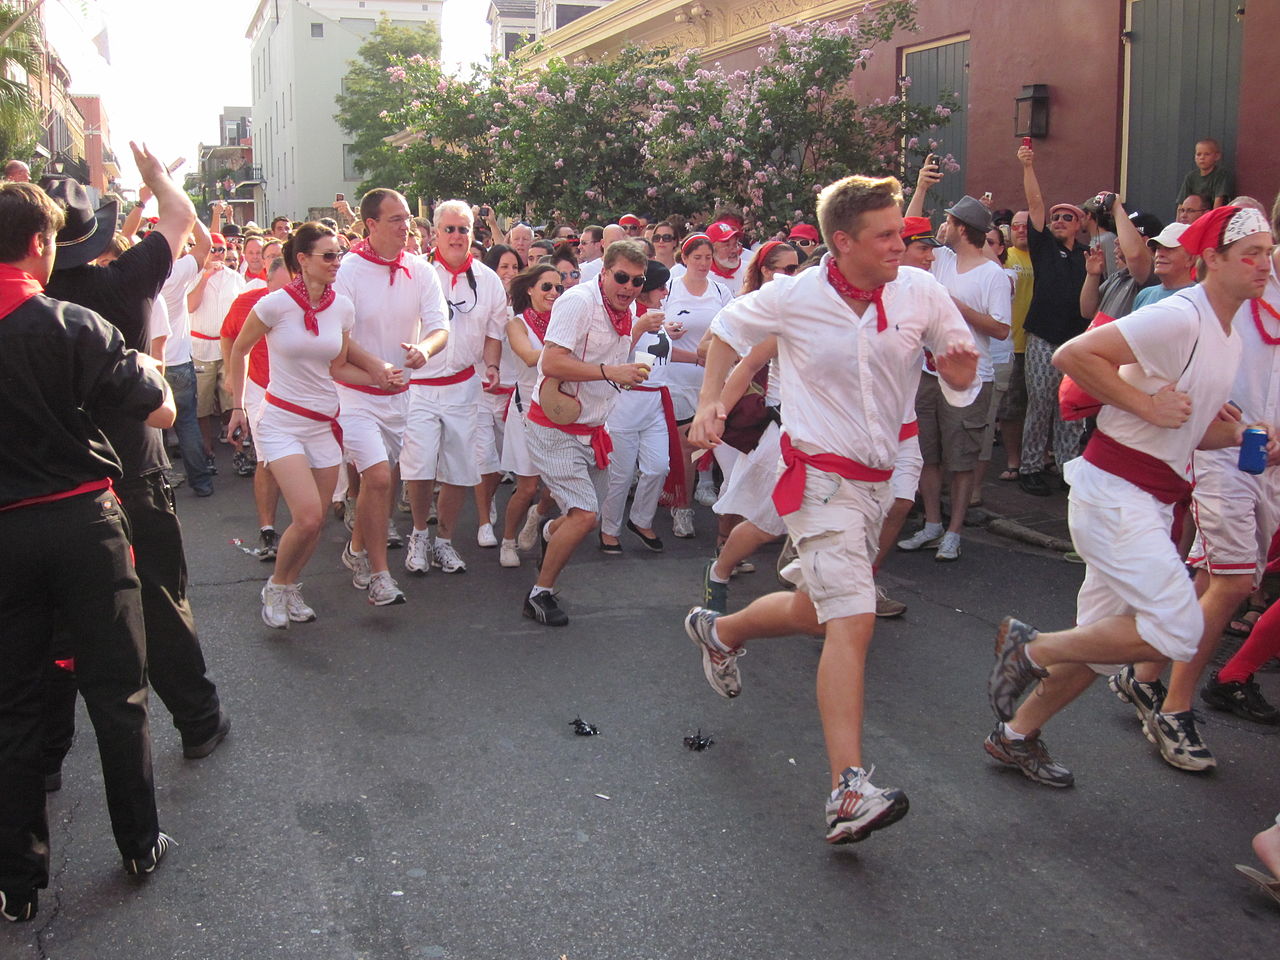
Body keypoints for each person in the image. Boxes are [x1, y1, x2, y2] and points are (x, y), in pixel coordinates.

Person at [685, 175, 980, 843]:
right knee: (853, 613)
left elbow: (960, 363)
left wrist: (960, 375)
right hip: (819, 478)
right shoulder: (794, 296)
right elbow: (727, 331)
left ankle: (720, 632)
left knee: (819, 609)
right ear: (842, 242)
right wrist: (710, 402)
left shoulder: (920, 290)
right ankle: (848, 788)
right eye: (884, 235)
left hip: (879, 478)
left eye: (901, 233)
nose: (900, 244)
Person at [985, 205, 1273, 786]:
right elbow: (1071, 355)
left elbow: (1188, 425)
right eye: (1252, 254)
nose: (1265, 265)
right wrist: (1146, 405)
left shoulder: (1228, 336)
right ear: (1211, 260)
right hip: (1116, 492)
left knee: (1099, 647)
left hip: (1147, 495)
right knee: (1178, 630)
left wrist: (1239, 436)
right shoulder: (1180, 317)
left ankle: (1015, 735)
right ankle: (1032, 648)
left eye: (1269, 252)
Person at [0, 181, 177, 923]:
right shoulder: (73, 324)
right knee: (117, 690)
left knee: (11, 706)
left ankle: (16, 884)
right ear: (42, 245)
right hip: (82, 524)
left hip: (5, 532)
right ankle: (138, 843)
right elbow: (158, 405)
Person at [41, 146, 230, 775]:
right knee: (160, 596)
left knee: (50, 615)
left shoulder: (26, 304)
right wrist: (156, 177)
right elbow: (179, 215)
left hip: (52, 476)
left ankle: (45, 753)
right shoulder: (123, 281)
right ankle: (198, 720)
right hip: (132, 459)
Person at [227, 223, 399, 628]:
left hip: (323, 423)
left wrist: (378, 377)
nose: (337, 262)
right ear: (302, 260)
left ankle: (288, 587)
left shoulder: (342, 308)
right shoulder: (274, 305)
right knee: (305, 516)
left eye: (339, 254)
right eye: (328, 256)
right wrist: (237, 407)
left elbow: (338, 367)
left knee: (317, 521)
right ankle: (276, 585)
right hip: (280, 421)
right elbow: (239, 349)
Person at [522, 240, 653, 625]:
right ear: (605, 272)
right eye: (622, 277)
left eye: (637, 280)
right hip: (554, 426)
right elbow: (552, 361)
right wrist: (611, 373)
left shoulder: (625, 311)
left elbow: (610, 362)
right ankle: (538, 595)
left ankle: (549, 532)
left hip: (593, 427)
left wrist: (624, 368)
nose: (628, 286)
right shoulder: (579, 302)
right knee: (583, 515)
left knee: (583, 518)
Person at [333, 189, 449, 605]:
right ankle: (381, 576)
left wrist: (426, 350)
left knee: (379, 483)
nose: (407, 227)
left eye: (408, 219)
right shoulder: (347, 270)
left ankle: (356, 550)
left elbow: (439, 326)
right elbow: (340, 339)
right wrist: (374, 367)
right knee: (378, 478)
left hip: (403, 394)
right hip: (357, 394)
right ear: (371, 225)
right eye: (397, 219)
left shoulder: (422, 270)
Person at [897, 196, 1009, 560]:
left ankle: (954, 532)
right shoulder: (940, 257)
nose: (940, 228)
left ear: (962, 228)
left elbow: (1002, 329)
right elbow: (907, 229)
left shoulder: (993, 274)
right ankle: (932, 524)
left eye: (946, 221)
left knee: (961, 457)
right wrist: (919, 187)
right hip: (929, 373)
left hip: (973, 378)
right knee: (927, 451)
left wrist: (954, 306)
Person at [401, 201, 506, 575]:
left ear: (473, 232)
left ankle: (444, 542)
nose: (457, 236)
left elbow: (494, 333)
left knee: (460, 469)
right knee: (420, 467)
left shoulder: (489, 280)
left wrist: (491, 366)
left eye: (463, 229)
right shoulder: (416, 274)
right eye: (449, 229)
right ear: (435, 234)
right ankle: (418, 534)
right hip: (420, 388)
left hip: (464, 387)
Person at [1014, 143, 1089, 496]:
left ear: (1080, 225)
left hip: (1078, 342)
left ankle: (1067, 468)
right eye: (1056, 217)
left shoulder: (1090, 257)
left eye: (1067, 217)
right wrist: (1028, 167)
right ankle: (1030, 467)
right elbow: (1035, 205)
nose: (1059, 221)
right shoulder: (1044, 247)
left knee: (1070, 409)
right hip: (1043, 338)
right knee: (1041, 404)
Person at [600, 259, 679, 554]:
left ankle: (641, 519)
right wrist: (639, 325)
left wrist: (699, 356)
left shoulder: (660, 315)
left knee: (658, 466)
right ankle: (609, 529)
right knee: (620, 473)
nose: (665, 291)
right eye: (660, 287)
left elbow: (661, 357)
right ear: (645, 290)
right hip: (626, 400)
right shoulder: (627, 314)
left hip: (654, 400)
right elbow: (613, 352)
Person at [664, 233, 734, 533]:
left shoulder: (720, 290)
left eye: (708, 257)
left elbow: (733, 327)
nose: (704, 263)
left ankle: (728, 515)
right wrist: (669, 330)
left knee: (716, 445)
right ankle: (683, 508)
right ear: (685, 259)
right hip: (677, 379)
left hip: (713, 381)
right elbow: (654, 324)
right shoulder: (670, 287)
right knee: (684, 448)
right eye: (698, 258)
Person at [221, 256, 290, 558]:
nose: (288, 297)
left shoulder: (319, 301)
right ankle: (267, 531)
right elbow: (229, 336)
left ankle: (332, 509)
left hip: (303, 390)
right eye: (281, 290)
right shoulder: (248, 303)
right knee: (267, 459)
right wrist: (232, 377)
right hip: (261, 388)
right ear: (268, 282)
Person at [499, 263, 563, 566]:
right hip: (526, 408)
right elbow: (527, 357)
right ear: (530, 289)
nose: (553, 292)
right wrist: (564, 350)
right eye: (546, 286)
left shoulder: (563, 321)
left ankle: (536, 515)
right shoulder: (517, 324)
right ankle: (508, 541)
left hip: (559, 409)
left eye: (558, 288)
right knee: (526, 487)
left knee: (557, 484)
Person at [187, 232, 245, 460]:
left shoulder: (235, 278)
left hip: (228, 348)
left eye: (222, 250)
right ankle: (207, 451)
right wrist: (205, 278)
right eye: (213, 250)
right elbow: (190, 306)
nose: (218, 255)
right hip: (201, 348)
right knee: (201, 404)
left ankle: (239, 450)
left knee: (232, 402)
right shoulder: (193, 277)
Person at [1131, 223, 1194, 309]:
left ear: (1190, 258)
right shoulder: (1144, 295)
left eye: (1169, 248)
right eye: (1158, 248)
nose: (1160, 254)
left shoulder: (1201, 298)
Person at [1175, 138, 1235, 209]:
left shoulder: (1221, 175)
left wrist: (1212, 219)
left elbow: (1219, 201)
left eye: (1207, 154)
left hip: (1211, 214)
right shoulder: (1190, 177)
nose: (1202, 158)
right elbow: (1182, 203)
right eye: (1198, 154)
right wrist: (1179, 219)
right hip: (1194, 215)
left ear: (1217, 156)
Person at [706, 220, 748, 294]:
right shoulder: (703, 276)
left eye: (735, 244)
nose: (734, 250)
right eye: (727, 245)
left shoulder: (750, 271)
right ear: (711, 249)